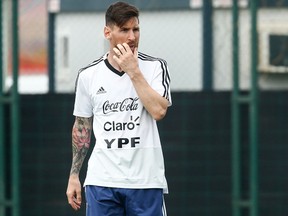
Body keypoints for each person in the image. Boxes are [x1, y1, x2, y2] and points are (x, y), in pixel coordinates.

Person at [66, 1, 172, 215]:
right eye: (124, 30)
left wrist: (133, 71)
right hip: (102, 181)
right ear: (108, 32)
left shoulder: (155, 67)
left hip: (145, 181)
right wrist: (74, 175)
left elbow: (159, 111)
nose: (132, 37)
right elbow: (81, 127)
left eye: (136, 29)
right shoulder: (88, 75)